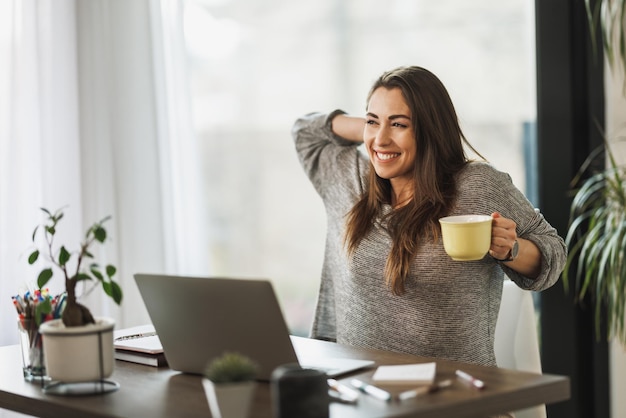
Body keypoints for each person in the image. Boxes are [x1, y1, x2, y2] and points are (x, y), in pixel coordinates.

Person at [292, 66, 566, 367]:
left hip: (455, 396)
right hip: (360, 393)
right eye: (372, 120)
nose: (381, 139)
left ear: (430, 129)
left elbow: (554, 254)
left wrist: (510, 250)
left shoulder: (476, 185)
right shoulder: (349, 180)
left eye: (400, 125)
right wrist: (376, 129)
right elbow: (305, 131)